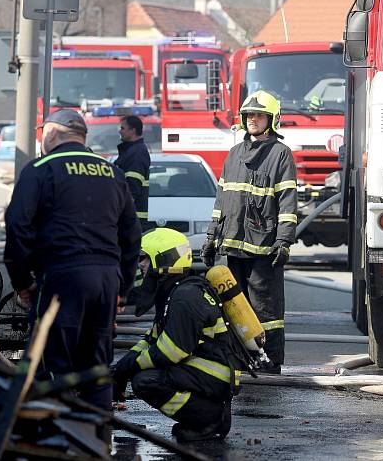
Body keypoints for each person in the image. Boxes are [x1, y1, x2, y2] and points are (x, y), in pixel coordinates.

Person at [5, 109, 141, 411]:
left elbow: (17, 226)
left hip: (62, 277)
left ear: (52, 134)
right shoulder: (112, 172)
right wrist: (122, 288)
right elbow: (132, 236)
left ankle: (55, 438)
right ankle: (96, 438)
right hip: (106, 280)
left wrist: (22, 281)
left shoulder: (41, 168)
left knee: (51, 362)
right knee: (96, 368)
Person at [200, 90, 297, 373]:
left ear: (272, 120)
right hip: (232, 243)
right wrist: (210, 237)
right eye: (249, 115)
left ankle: (269, 360)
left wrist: (284, 241)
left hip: (265, 246)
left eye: (259, 115)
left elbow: (288, 201)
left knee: (265, 309)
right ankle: (241, 358)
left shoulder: (280, 154)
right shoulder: (234, 155)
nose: (253, 119)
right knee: (233, 305)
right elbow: (222, 200)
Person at [112, 228, 238, 442]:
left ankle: (209, 419)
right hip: (203, 372)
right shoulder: (174, 292)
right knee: (141, 373)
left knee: (146, 381)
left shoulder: (184, 298)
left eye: (144, 259)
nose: (141, 265)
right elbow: (151, 339)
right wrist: (120, 369)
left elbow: (171, 352)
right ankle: (203, 415)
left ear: (163, 260)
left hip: (214, 376)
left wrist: (130, 367)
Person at [114, 115, 151, 230]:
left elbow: (132, 187)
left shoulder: (136, 153)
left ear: (133, 130)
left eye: (122, 128)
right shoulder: (131, 151)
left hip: (131, 219)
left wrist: (120, 210)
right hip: (130, 218)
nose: (119, 131)